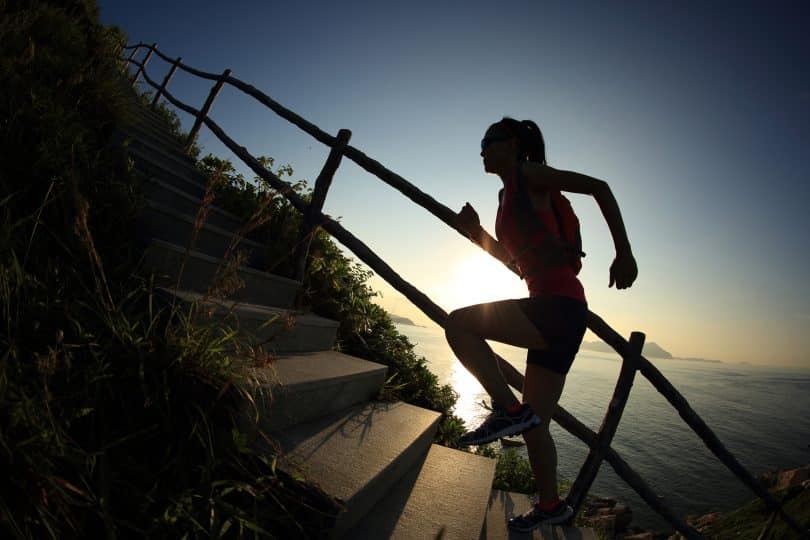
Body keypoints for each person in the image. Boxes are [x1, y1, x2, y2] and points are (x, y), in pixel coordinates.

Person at [446, 117, 637, 531]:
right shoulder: (505, 195)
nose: (482, 150)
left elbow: (600, 188)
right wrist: (476, 232)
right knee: (537, 427)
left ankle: (505, 408)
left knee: (459, 324)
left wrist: (624, 252)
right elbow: (518, 265)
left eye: (488, 141)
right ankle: (552, 506)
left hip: (558, 307)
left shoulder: (528, 175)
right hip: (560, 312)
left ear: (512, 144)